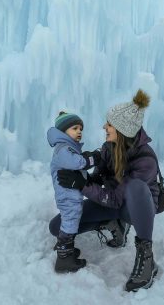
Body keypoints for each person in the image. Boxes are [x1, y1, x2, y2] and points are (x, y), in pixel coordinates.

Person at [48, 89, 160, 292]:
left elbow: (117, 199)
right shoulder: (109, 148)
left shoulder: (146, 159)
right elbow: (97, 180)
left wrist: (81, 185)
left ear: (122, 129)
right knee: (57, 227)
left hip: (136, 210)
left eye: (109, 124)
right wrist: (77, 177)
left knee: (135, 188)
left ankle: (147, 257)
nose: (104, 127)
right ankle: (113, 223)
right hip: (111, 202)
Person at [47, 112, 101, 273]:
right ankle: (64, 258)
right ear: (63, 131)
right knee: (70, 222)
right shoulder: (63, 149)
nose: (79, 132)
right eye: (74, 128)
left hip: (70, 194)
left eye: (81, 129)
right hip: (67, 196)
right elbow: (76, 163)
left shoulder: (66, 148)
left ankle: (66, 249)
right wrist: (91, 159)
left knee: (71, 220)